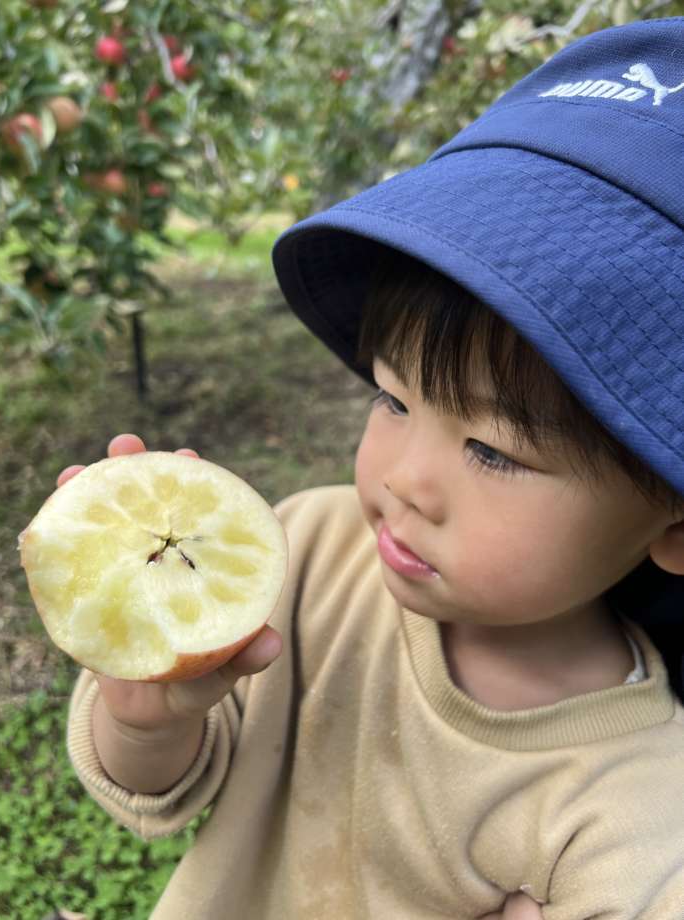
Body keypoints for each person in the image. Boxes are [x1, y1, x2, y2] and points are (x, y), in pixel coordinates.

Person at [63, 17, 684, 919]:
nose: (403, 481)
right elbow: (162, 782)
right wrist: (143, 714)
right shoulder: (302, 550)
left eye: (492, 450)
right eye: (392, 399)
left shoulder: (635, 810)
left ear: (671, 521)